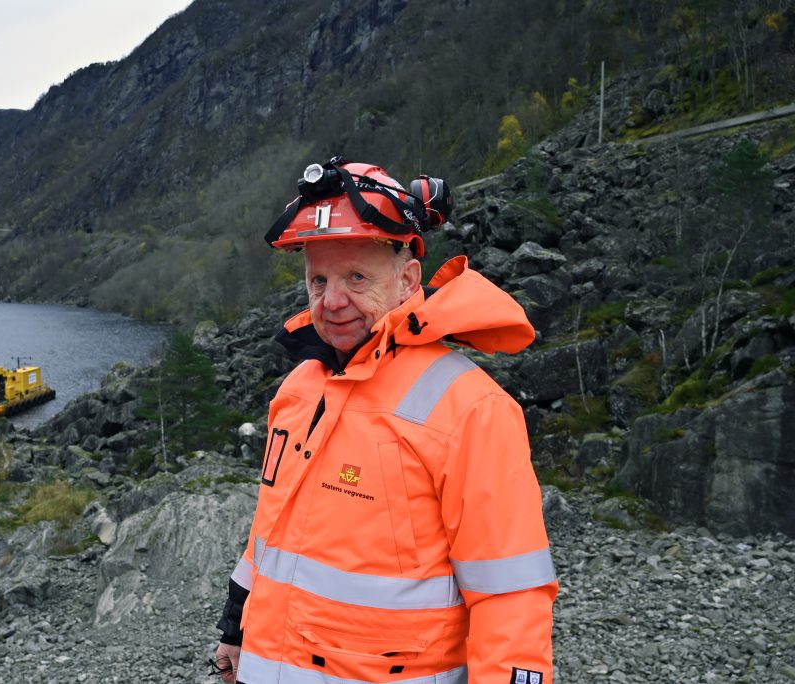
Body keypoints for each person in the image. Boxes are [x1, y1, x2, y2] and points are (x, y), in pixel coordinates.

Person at [214, 158, 557, 684]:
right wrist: (237, 630)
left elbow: (509, 592)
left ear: (408, 278)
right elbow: (270, 533)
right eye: (318, 279)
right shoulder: (300, 388)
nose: (333, 301)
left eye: (356, 277)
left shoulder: (470, 408)